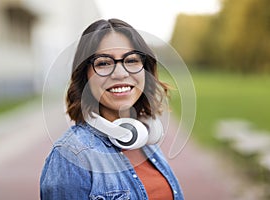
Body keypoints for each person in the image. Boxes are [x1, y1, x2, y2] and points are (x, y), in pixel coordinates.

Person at [40, 18, 184, 200]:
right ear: (85, 75)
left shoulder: (146, 139)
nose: (120, 74)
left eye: (131, 60)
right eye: (103, 63)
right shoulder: (71, 155)